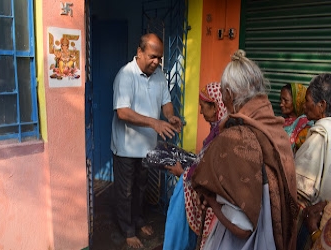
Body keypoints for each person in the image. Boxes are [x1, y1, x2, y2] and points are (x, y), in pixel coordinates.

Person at [191, 49, 298, 250]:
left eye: (223, 94)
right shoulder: (276, 131)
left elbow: (241, 227)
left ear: (229, 94)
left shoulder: (237, 138)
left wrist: (211, 199)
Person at [110, 33, 182, 249]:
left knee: (141, 187)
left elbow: (166, 102)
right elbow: (123, 112)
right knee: (126, 191)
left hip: (147, 147)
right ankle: (128, 231)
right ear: (140, 52)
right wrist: (154, 123)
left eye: (159, 58)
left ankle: (138, 220)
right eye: (152, 56)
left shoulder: (159, 75)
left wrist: (169, 117)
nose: (156, 62)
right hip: (126, 147)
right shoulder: (126, 75)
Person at [163, 82, 227, 250]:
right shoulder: (218, 131)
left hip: (213, 207)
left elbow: (211, 175)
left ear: (214, 107)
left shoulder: (221, 137)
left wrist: (182, 173)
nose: (200, 111)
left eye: (202, 106)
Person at [294, 73, 331, 250]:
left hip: (314, 224)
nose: (304, 104)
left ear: (322, 105)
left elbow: (300, 188)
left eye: (308, 100)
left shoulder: (320, 135)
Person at [280, 83, 313, 154]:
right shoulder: (282, 121)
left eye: (285, 101)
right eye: (281, 100)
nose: (281, 104)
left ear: (297, 102)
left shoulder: (305, 126)